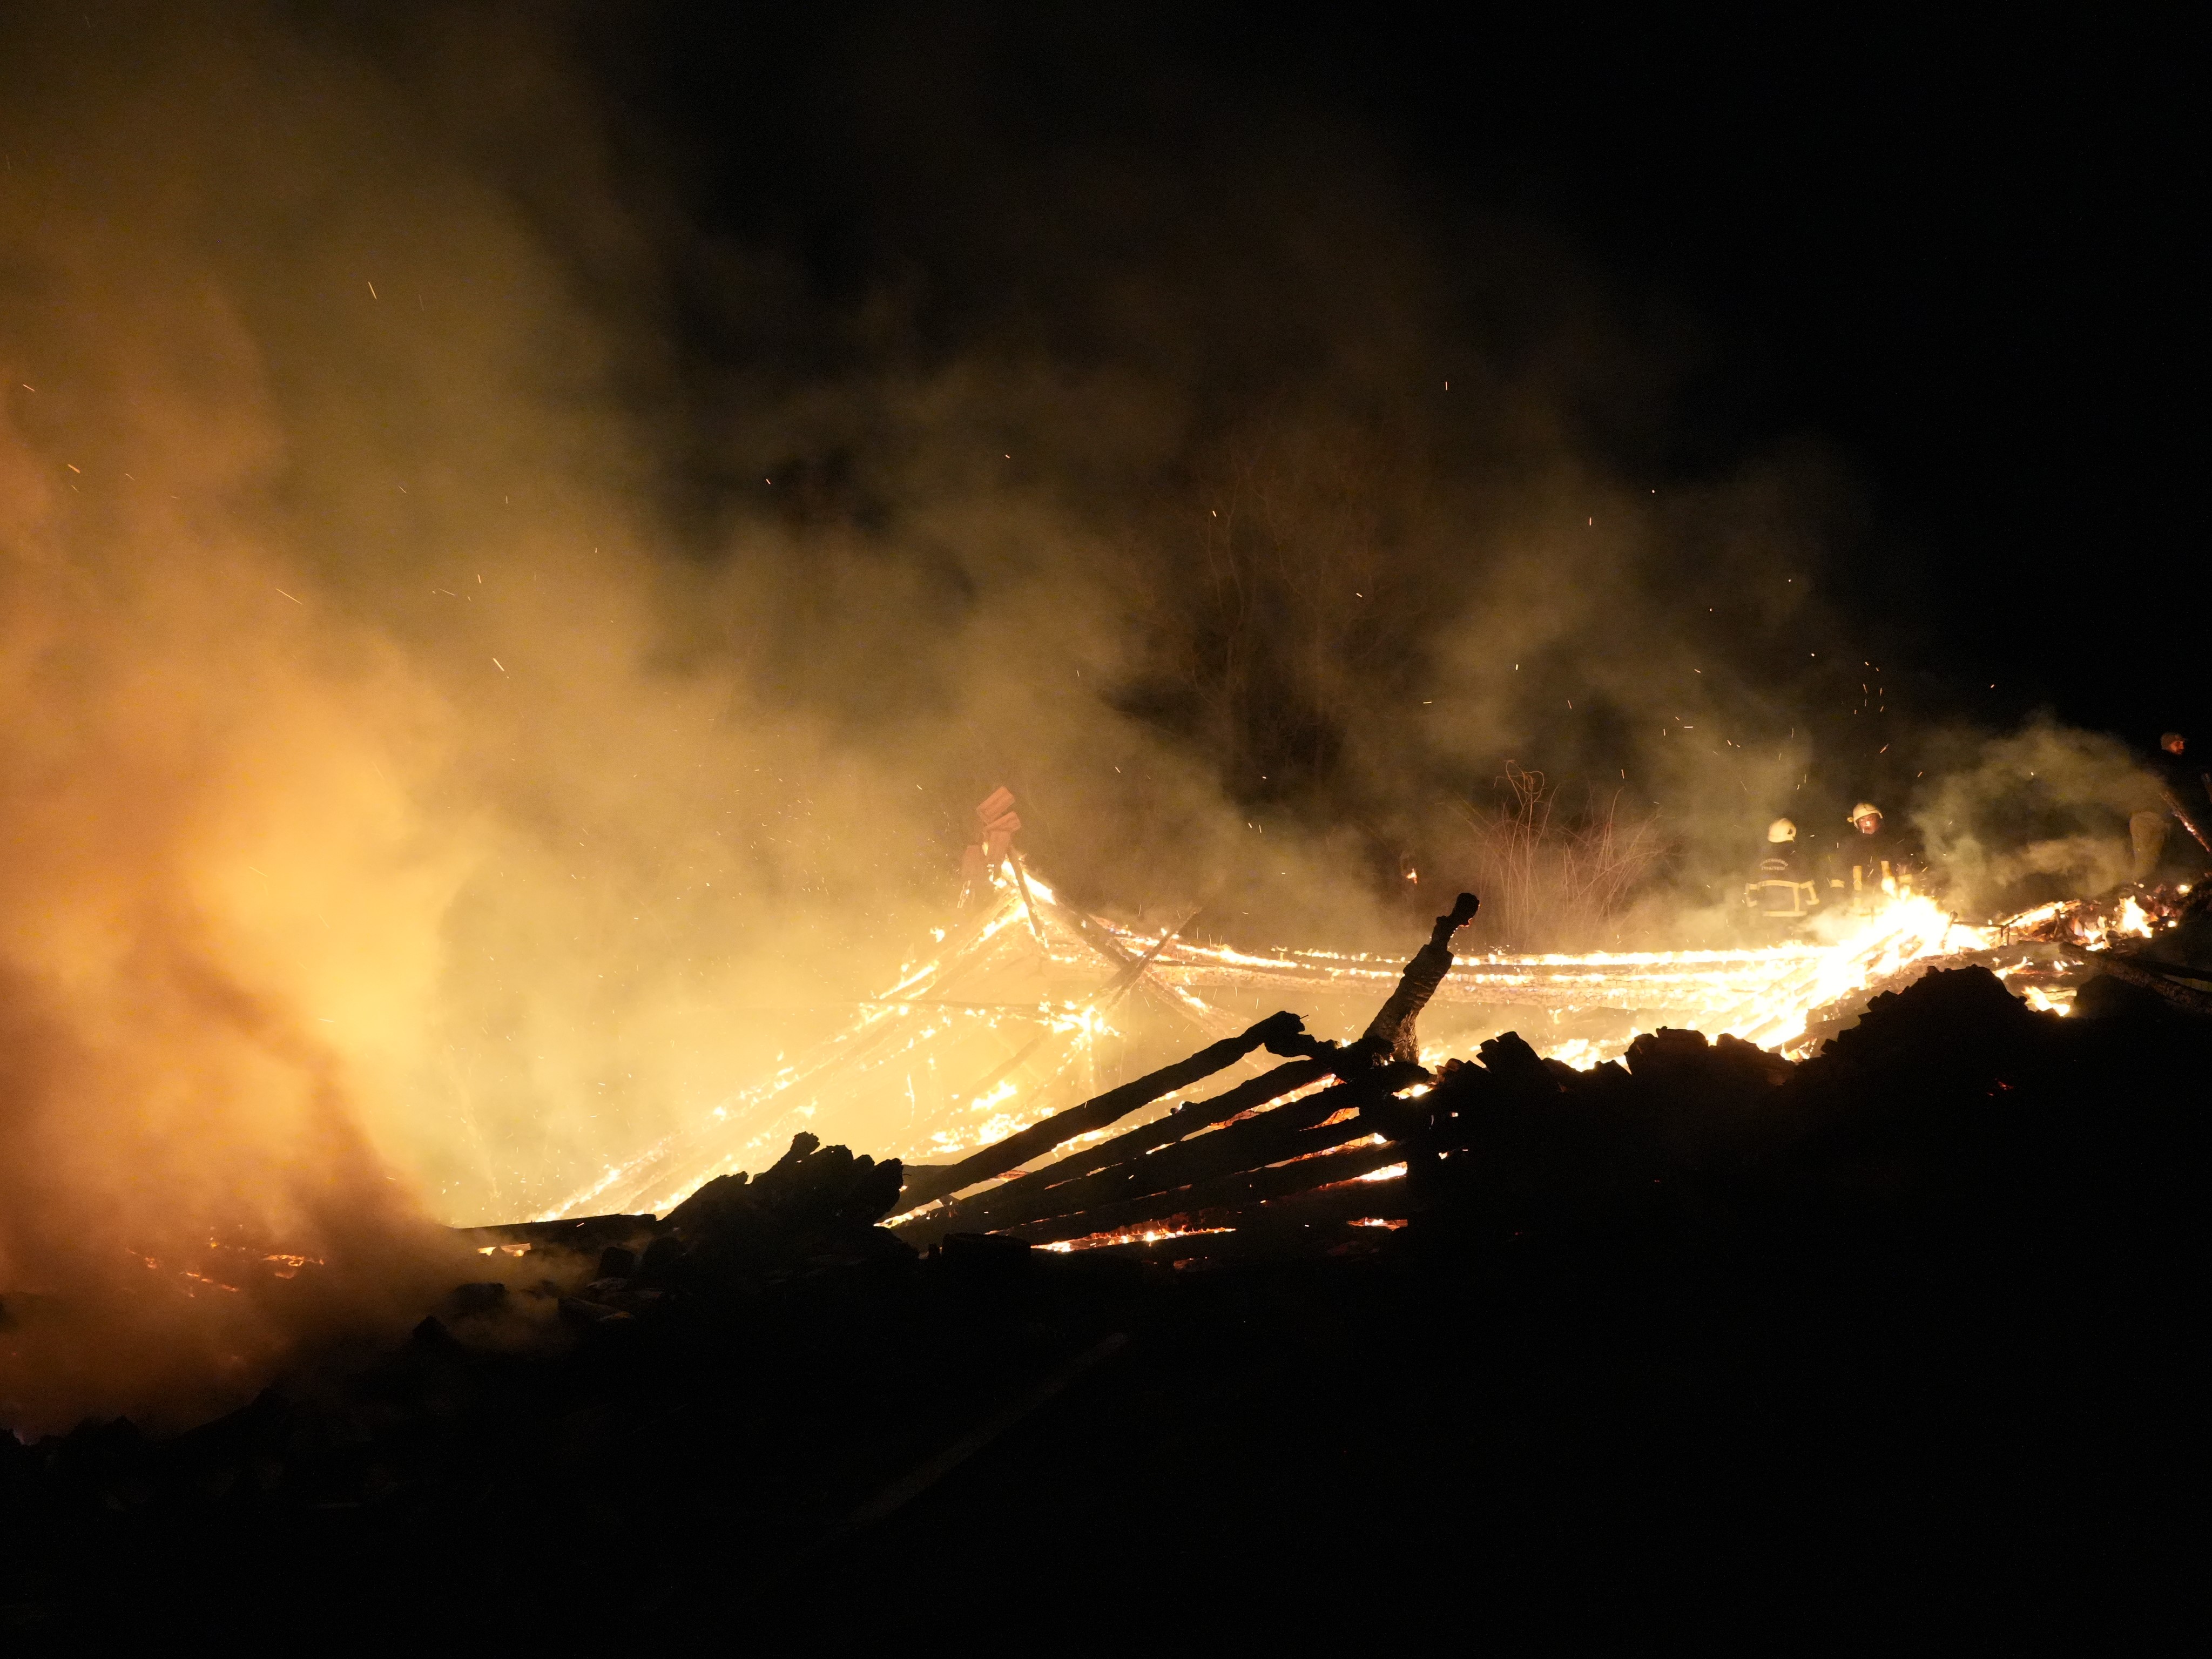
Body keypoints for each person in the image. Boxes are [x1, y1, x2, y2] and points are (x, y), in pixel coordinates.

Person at [2132, 732, 2212, 880]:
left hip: (2164, 819)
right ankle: (2136, 891)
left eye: (2183, 743)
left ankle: (2157, 893)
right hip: (2148, 817)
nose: (2182, 746)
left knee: (2164, 861)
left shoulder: (2175, 764)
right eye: (2177, 743)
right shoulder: (2161, 761)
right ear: (2168, 746)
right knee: (2146, 861)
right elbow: (2167, 783)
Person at [1832, 802, 1917, 913]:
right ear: (1857, 824)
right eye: (1862, 820)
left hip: (1891, 906)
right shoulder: (1850, 846)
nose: (1867, 823)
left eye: (1871, 818)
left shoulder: (1892, 843)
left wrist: (1908, 893)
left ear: (1878, 819)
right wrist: (1839, 901)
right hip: (1858, 909)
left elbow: (1905, 871)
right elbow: (1838, 874)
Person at [1745, 817, 1819, 936]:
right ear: (1791, 834)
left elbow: (1750, 891)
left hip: (1767, 918)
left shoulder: (1759, 861)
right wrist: (1815, 908)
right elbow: (1809, 889)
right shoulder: (1797, 859)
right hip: (1795, 918)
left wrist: (1754, 912)